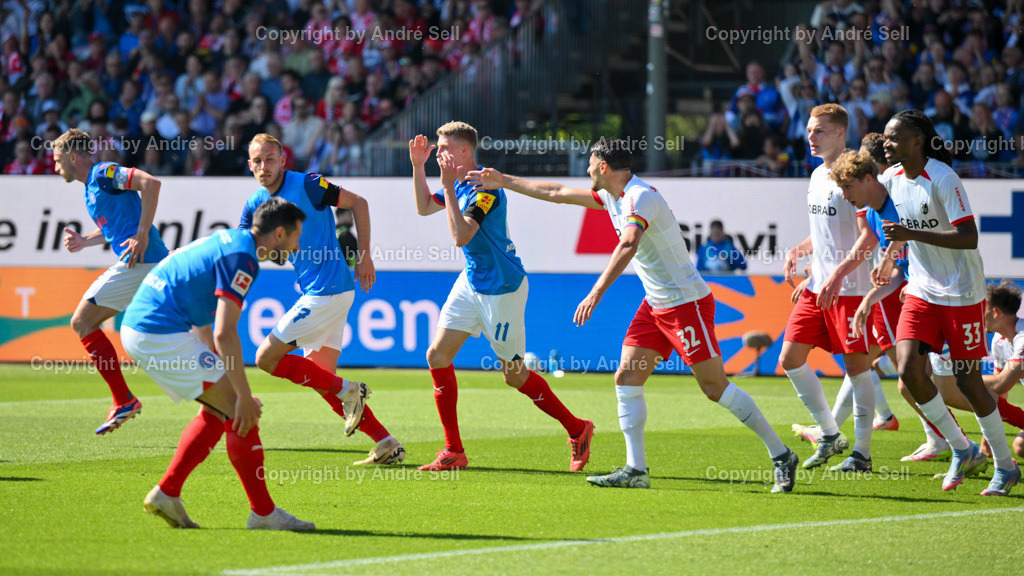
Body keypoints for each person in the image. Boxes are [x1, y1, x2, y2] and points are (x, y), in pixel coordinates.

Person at [467, 139, 799, 493]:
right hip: (655, 305)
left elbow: (628, 244)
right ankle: (635, 470)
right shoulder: (611, 195)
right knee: (626, 377)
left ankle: (781, 455)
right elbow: (557, 192)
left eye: (591, 163)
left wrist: (596, 292)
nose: (587, 169)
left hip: (685, 304)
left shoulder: (639, 197)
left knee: (714, 387)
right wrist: (504, 180)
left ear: (604, 167)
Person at [409, 123, 594, 473]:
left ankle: (577, 428)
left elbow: (461, 237)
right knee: (437, 355)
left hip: (502, 288)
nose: (439, 152)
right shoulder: (458, 183)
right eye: (438, 147)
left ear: (465, 151)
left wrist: (446, 187)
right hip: (471, 282)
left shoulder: (485, 188)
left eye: (445, 147)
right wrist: (418, 167)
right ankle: (453, 451)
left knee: (514, 376)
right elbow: (423, 207)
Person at [122, 197, 316, 531]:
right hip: (157, 332)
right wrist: (243, 395)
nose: (298, 246)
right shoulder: (243, 258)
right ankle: (264, 514)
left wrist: (230, 388)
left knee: (218, 410)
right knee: (240, 412)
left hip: (145, 328)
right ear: (279, 234)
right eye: (297, 236)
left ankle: (168, 492)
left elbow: (203, 322)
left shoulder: (231, 242)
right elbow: (225, 333)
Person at [875, 109, 1020, 495]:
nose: (887, 143)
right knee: (908, 370)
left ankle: (1005, 466)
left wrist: (910, 235)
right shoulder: (891, 178)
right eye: (885, 138)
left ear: (917, 141)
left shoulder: (942, 177)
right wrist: (892, 254)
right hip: (922, 290)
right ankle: (961, 447)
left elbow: (969, 237)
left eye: (894, 137)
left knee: (968, 381)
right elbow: (877, 208)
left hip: (961, 294)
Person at [240, 133, 404, 466]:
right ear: (250, 165)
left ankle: (351, 389)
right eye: (257, 161)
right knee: (322, 380)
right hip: (327, 292)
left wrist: (364, 257)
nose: (264, 166)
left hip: (326, 291)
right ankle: (386, 443)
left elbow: (359, 203)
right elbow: (242, 245)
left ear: (283, 159)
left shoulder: (310, 184)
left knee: (265, 358)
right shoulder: (254, 202)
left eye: (270, 159)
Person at [780, 104, 880, 473]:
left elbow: (869, 236)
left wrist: (838, 274)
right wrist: (799, 250)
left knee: (857, 369)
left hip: (850, 289)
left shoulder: (854, 174)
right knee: (790, 359)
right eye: (809, 130)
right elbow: (823, 233)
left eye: (819, 130)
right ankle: (830, 433)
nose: (811, 136)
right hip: (819, 288)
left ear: (840, 133)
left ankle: (862, 454)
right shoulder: (817, 174)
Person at [54, 128, 170, 435]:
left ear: (72, 157)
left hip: (141, 264)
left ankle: (124, 400)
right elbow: (115, 229)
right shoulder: (90, 188)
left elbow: (151, 183)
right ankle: (233, 398)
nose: (55, 167)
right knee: (180, 337)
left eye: (58, 160)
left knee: (82, 322)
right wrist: (85, 241)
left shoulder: (104, 173)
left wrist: (142, 233)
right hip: (146, 265)